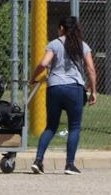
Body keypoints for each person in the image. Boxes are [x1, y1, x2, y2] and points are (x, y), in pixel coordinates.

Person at [29, 16, 97, 175]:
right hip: (75, 89)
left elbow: (43, 64)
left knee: (51, 126)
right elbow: (91, 70)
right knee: (74, 127)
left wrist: (34, 77)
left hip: (55, 88)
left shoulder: (54, 44)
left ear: (61, 28)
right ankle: (70, 164)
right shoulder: (83, 46)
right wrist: (93, 91)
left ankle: (38, 161)